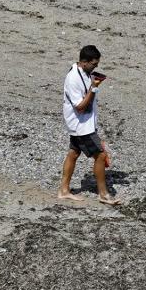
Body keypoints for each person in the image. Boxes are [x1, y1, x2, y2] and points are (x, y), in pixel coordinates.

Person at [57, 44, 119, 204]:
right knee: (101, 155)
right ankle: (103, 194)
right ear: (84, 62)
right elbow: (80, 106)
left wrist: (93, 84)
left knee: (74, 153)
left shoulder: (85, 72)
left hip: (81, 124)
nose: (95, 67)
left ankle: (64, 191)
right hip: (81, 126)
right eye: (93, 64)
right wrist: (94, 88)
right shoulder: (73, 79)